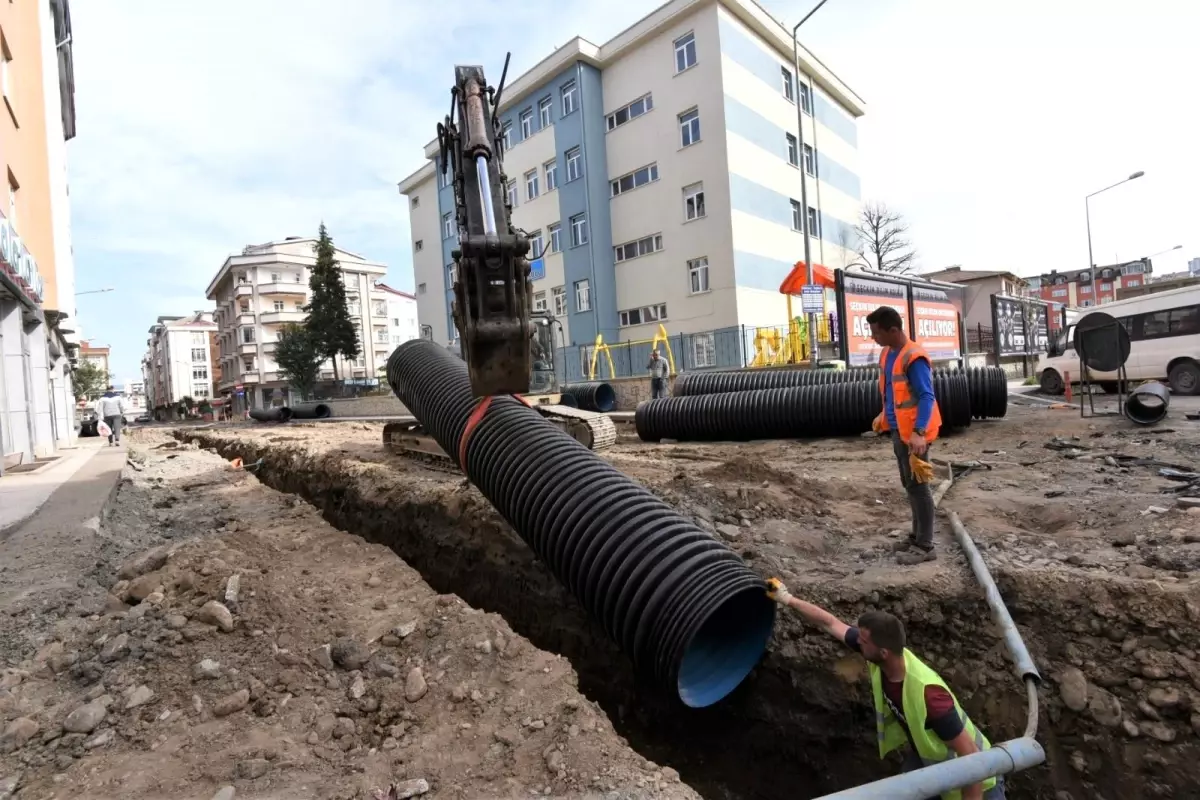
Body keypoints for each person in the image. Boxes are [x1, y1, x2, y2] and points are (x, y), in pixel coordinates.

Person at [767, 578, 1004, 800]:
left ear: (883, 653)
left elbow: (973, 761)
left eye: (864, 641)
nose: (857, 642)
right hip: (929, 760)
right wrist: (786, 598)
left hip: (977, 785)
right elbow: (830, 623)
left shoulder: (929, 696)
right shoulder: (882, 657)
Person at [866, 306, 940, 565]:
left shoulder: (913, 357)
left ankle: (926, 544)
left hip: (915, 435)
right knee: (910, 485)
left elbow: (926, 397)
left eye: (876, 332)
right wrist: (883, 415)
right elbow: (892, 392)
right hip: (900, 431)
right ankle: (917, 536)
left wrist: (920, 432)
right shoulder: (888, 354)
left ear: (893, 330)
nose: (873, 337)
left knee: (919, 488)